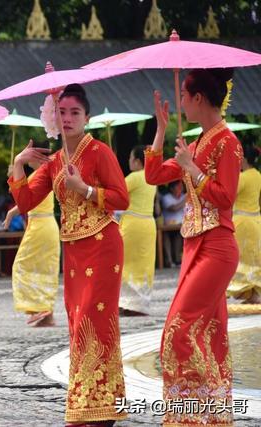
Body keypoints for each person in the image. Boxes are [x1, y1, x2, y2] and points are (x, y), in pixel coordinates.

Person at [8, 84, 129, 426]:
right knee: (77, 324)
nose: (69, 118)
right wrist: (19, 164)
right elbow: (25, 203)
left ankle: (102, 403)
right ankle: (85, 403)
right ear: (53, 117)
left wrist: (85, 189)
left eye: (75, 112)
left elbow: (121, 198)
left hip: (103, 245)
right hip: (74, 251)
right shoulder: (54, 162)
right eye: (62, 112)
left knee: (97, 319)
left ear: (87, 117)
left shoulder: (99, 152)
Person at [145, 68, 242, 426]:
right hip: (195, 246)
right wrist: (160, 129)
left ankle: (193, 416)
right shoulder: (199, 142)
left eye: (184, 97)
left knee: (178, 332)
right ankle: (212, 416)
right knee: (209, 334)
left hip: (217, 246)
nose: (181, 102)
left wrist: (193, 169)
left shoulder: (227, 142)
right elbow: (154, 175)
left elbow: (225, 197)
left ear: (198, 98)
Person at [5, 143, 60, 327]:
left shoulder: (40, 174)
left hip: (40, 227)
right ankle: (47, 312)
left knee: (22, 265)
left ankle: (40, 307)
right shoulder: (45, 173)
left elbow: (23, 199)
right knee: (46, 267)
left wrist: (15, 171)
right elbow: (24, 200)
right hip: (47, 224)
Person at [118, 145, 157, 316]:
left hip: (133, 224)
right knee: (144, 264)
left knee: (127, 263)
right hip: (148, 224)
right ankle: (138, 303)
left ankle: (128, 302)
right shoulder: (152, 177)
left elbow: (117, 193)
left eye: (131, 158)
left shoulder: (134, 177)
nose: (128, 161)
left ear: (137, 161)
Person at [227, 145, 261, 302]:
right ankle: (252, 293)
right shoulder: (257, 175)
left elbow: (228, 195)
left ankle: (244, 291)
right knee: (253, 257)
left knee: (241, 258)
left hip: (243, 223)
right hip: (256, 220)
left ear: (244, 159)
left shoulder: (243, 177)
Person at [160, 180, 185, 267]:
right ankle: (169, 261)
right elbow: (173, 208)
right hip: (167, 225)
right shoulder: (166, 197)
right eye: (178, 187)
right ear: (171, 188)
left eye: (181, 187)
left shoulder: (183, 196)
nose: (180, 189)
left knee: (179, 236)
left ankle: (178, 260)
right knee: (166, 236)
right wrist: (186, 199)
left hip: (180, 226)